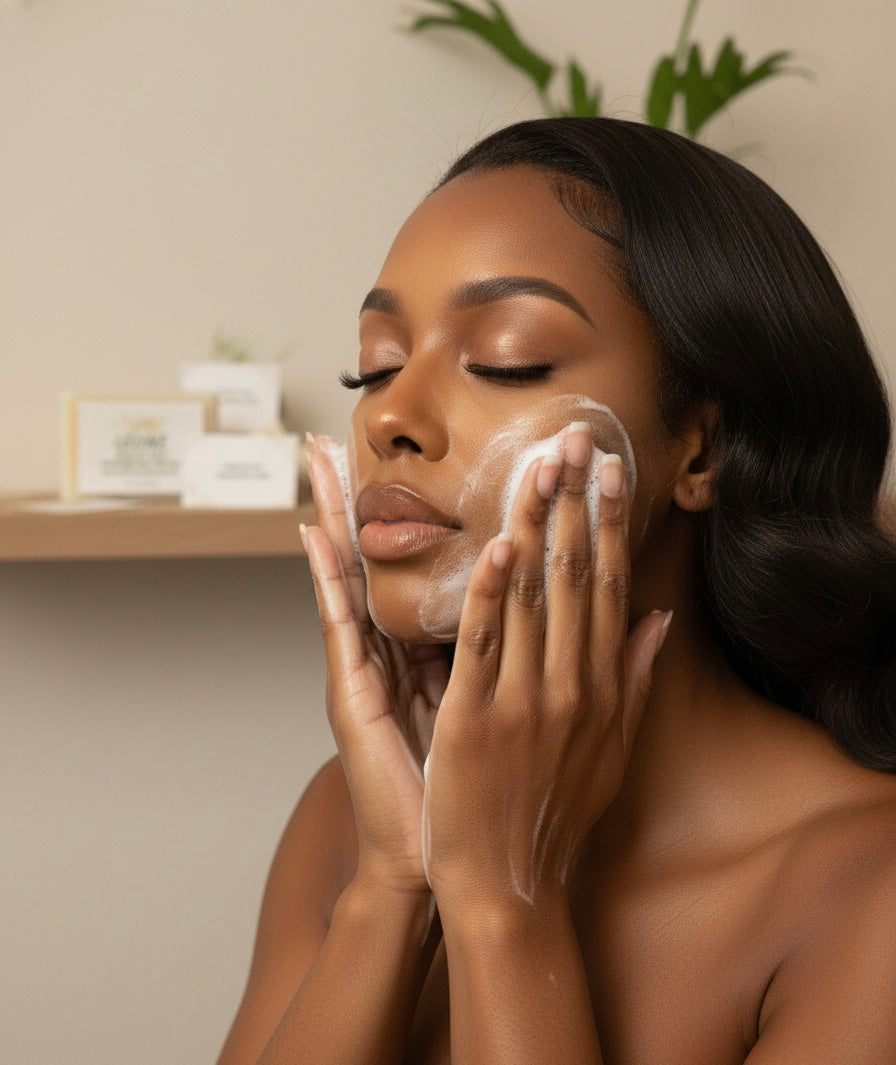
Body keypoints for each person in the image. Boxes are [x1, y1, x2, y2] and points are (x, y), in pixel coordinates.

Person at [215, 117, 896, 1065]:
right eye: (375, 364)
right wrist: (395, 885)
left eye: (506, 359)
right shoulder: (354, 818)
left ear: (702, 447)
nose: (391, 416)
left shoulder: (869, 888)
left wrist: (503, 904)